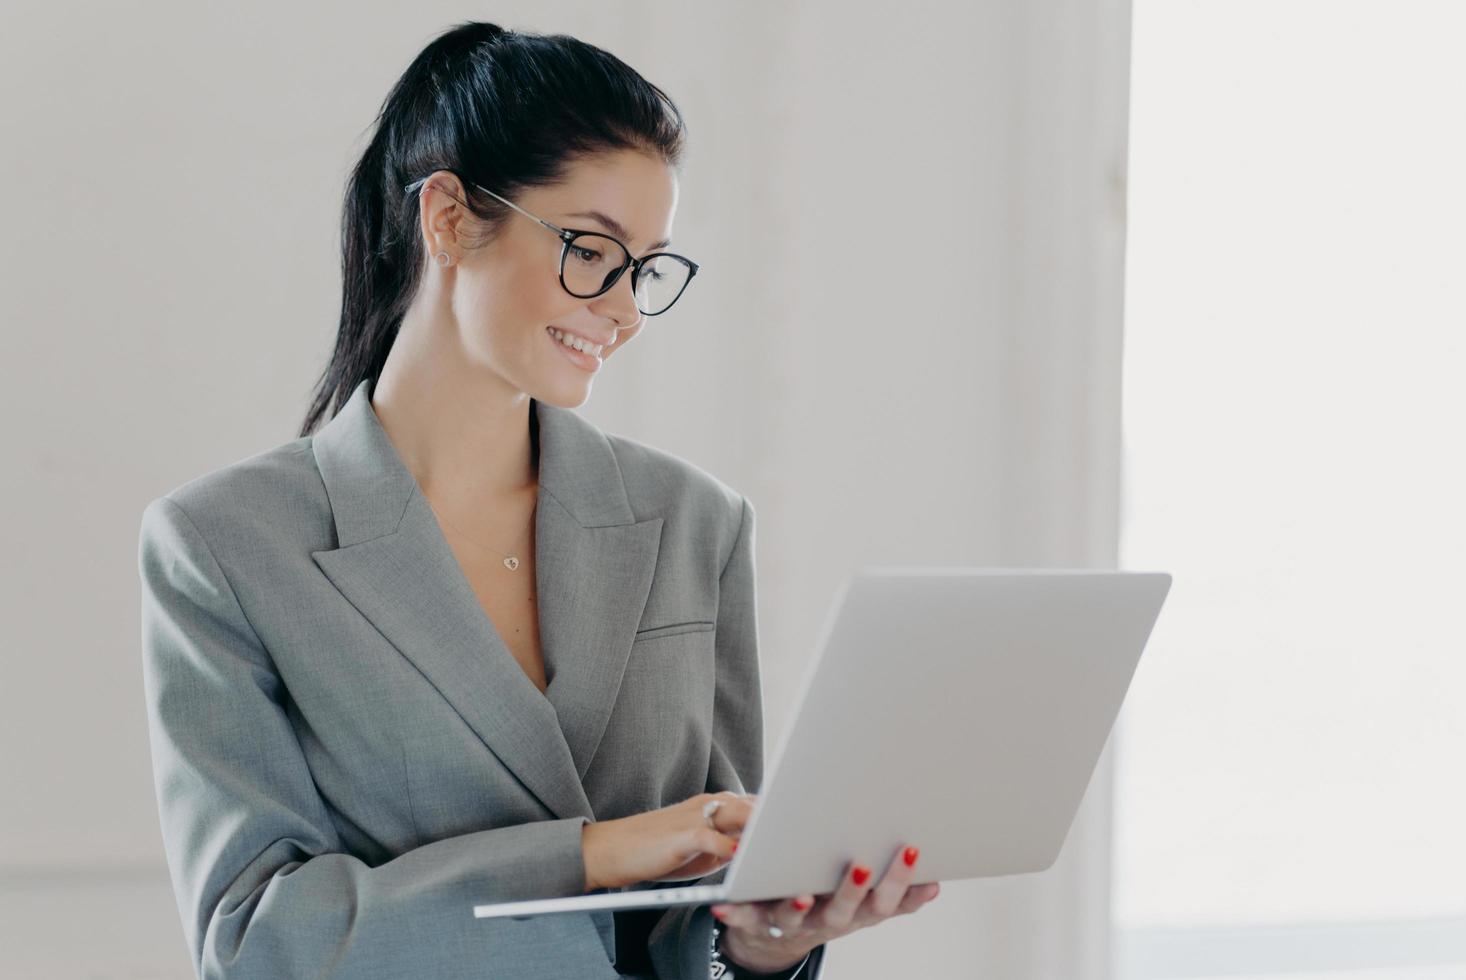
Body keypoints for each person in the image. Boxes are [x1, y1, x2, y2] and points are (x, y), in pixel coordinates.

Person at [137, 20, 940, 979]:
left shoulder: (696, 525)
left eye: (646, 269)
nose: (626, 308)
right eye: (593, 251)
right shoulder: (225, 546)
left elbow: (710, 908)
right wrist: (590, 856)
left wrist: (765, 943)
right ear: (446, 217)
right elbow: (261, 942)